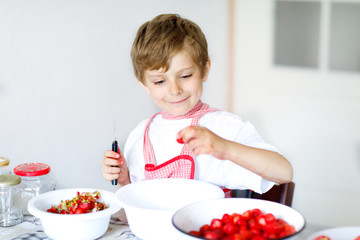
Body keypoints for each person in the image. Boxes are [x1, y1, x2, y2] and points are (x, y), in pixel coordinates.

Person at [101, 14, 293, 194]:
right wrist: (125, 180)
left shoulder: (225, 128)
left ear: (204, 69)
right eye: (160, 81)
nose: (174, 90)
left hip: (205, 229)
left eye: (185, 76)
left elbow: (284, 172)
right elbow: (139, 196)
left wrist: (225, 148)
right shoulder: (140, 135)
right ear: (144, 85)